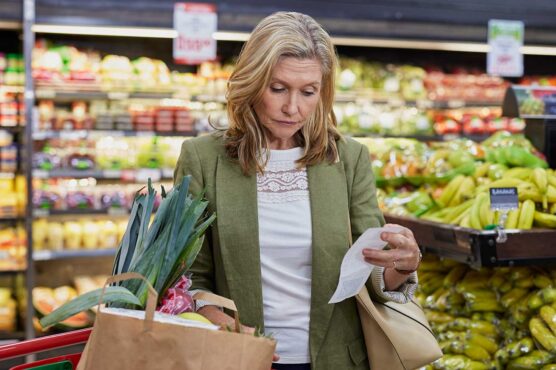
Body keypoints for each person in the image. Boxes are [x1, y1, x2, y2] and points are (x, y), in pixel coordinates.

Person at [173, 11, 421, 370]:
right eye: (278, 89)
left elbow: (373, 269)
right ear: (252, 83)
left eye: (308, 92)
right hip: (238, 357)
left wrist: (401, 265)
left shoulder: (348, 159)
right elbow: (188, 273)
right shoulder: (202, 158)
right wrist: (213, 314)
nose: (293, 108)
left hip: (337, 359)